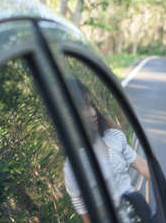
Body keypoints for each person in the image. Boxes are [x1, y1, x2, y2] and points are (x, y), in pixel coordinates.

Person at [64, 80, 150, 223]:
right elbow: (85, 213)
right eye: (84, 109)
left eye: (90, 105)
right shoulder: (73, 165)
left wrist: (165, 188)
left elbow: (143, 166)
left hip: (137, 213)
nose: (92, 113)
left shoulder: (113, 137)